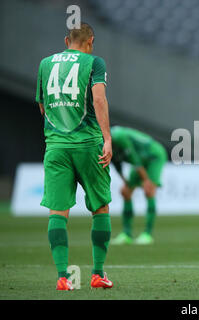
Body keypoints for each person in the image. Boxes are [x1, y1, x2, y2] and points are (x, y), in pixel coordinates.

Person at [36, 23, 114, 290]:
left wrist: (59, 128)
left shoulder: (45, 63)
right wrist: (107, 139)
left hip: (56, 147)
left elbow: (42, 105)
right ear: (90, 41)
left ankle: (62, 277)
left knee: (58, 212)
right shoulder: (95, 62)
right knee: (100, 207)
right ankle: (97, 274)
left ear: (66, 40)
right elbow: (99, 100)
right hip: (89, 145)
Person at [110, 126, 168, 245]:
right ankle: (127, 234)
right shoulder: (101, 143)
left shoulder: (118, 136)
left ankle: (147, 234)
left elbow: (134, 159)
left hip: (153, 155)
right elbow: (116, 163)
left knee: (149, 190)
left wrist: (146, 180)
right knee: (125, 192)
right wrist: (125, 182)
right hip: (140, 160)